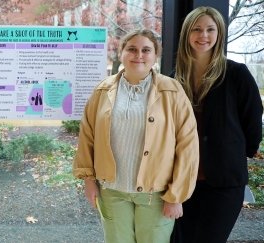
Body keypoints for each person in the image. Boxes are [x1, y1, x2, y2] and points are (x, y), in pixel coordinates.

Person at [73, 29, 200, 243]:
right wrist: (89, 180)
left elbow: (188, 145)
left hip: (156, 194)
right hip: (112, 191)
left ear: (155, 55)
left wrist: (176, 195)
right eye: (131, 49)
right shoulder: (102, 91)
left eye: (146, 50)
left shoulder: (172, 90)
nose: (138, 55)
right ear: (121, 53)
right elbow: (87, 137)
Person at [171, 6, 263, 243]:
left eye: (210, 29)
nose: (204, 35)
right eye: (197, 29)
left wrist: (237, 150)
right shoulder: (173, 79)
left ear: (219, 33)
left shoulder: (236, 74)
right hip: (181, 181)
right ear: (187, 34)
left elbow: (252, 118)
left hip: (224, 180)